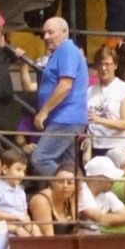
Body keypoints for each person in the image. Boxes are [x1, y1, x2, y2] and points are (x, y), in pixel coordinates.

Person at [32, 17, 89, 176]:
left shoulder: (67, 50)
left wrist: (43, 112)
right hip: (67, 118)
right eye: (44, 33)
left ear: (65, 32)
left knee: (40, 158)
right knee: (68, 165)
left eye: (51, 32)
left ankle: (73, 186)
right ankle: (78, 195)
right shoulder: (62, 52)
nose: (46, 37)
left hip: (66, 118)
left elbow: (65, 86)